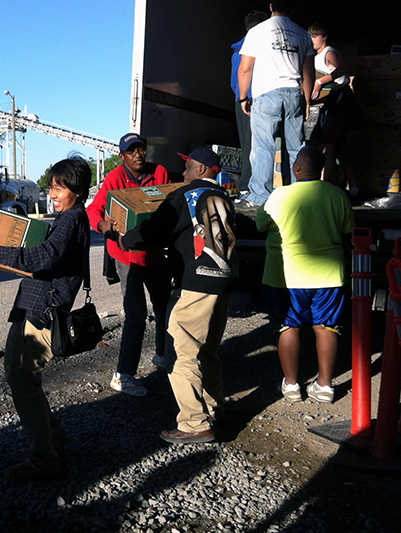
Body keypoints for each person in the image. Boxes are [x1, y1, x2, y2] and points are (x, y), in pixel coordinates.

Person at [100, 147, 238, 444]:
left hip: (197, 283)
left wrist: (125, 239)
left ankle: (194, 423)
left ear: (202, 170)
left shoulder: (184, 196)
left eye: (188, 167)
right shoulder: (224, 197)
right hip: (224, 281)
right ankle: (215, 408)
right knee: (208, 350)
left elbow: (153, 228)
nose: (183, 173)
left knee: (179, 350)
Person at [0, 156, 91, 481]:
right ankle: (53, 436)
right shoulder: (71, 217)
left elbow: (47, 255)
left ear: (76, 190)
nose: (51, 192)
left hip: (41, 313)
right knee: (19, 374)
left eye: (58, 187)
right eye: (51, 186)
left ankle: (44, 460)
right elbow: (47, 255)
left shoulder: (71, 219)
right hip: (36, 306)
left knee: (23, 381)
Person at [256, 146, 354, 404]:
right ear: (321, 169)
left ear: (297, 168)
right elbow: (347, 229)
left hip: (285, 276)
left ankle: (291, 385)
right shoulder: (337, 195)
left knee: (288, 326)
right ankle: (324, 386)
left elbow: (260, 224)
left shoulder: (279, 196)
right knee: (327, 327)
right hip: (329, 276)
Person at [86, 133, 172, 397]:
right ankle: (123, 375)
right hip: (127, 256)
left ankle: (162, 355)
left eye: (141, 149)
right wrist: (105, 226)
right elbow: (93, 212)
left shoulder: (159, 172)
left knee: (165, 307)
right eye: (131, 151)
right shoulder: (114, 179)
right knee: (136, 315)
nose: (138, 154)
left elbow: (170, 203)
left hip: (155, 253)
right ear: (122, 156)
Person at [238, 0, 315, 206]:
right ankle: (298, 195)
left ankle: (260, 198)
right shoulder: (303, 34)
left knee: (264, 146)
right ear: (293, 8)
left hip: (267, 93)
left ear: (271, 6)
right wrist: (306, 102)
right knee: (295, 147)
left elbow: (245, 68)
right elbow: (309, 73)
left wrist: (243, 97)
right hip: (293, 94)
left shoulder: (257, 31)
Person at [308, 21, 360, 194]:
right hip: (330, 100)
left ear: (324, 37)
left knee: (329, 143)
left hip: (339, 100)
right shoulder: (315, 56)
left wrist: (320, 81)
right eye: (311, 36)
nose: (312, 39)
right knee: (338, 147)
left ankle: (324, 185)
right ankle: (353, 187)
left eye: (315, 36)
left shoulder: (328, 52)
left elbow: (343, 68)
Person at [231, 10, 269, 194]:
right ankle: (252, 185)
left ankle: (246, 185)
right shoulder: (260, 47)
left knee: (247, 144)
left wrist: (241, 97)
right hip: (255, 99)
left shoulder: (237, 50)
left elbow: (234, 80)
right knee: (260, 144)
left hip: (241, 99)